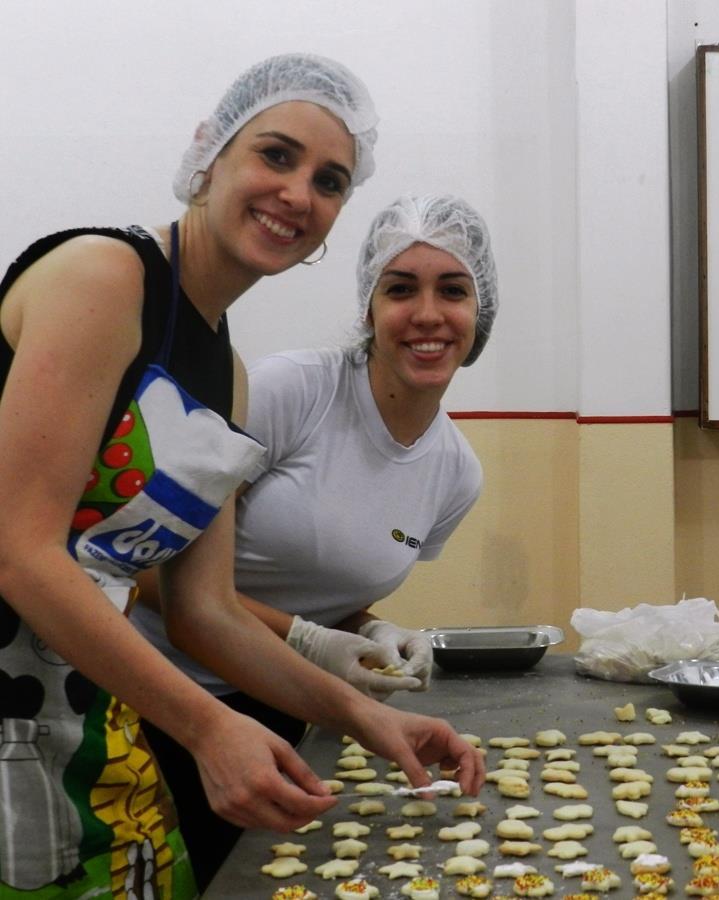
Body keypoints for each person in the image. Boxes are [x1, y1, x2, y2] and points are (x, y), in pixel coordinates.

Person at [0, 57, 482, 900]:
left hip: (79, 717)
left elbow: (204, 609)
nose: (298, 193)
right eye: (276, 155)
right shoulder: (106, 278)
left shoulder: (224, 379)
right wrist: (208, 724)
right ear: (209, 154)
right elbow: (20, 552)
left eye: (329, 180)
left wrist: (370, 717)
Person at [131, 193, 497, 884]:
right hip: (161, 700)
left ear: (480, 314)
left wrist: (372, 630)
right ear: (368, 307)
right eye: (399, 289)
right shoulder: (291, 393)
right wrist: (309, 639)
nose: (427, 314)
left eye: (452, 290)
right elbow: (146, 570)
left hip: (284, 704)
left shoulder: (455, 473)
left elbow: (322, 590)